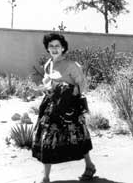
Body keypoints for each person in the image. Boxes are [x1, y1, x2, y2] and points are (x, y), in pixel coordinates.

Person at [32, 33, 95, 183]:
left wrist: (67, 90)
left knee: (77, 136)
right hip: (50, 106)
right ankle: (45, 177)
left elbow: (82, 85)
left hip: (69, 108)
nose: (54, 49)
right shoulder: (48, 64)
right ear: (47, 48)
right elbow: (48, 84)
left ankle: (89, 165)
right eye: (51, 46)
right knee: (47, 138)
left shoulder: (72, 65)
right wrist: (43, 89)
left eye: (57, 46)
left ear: (63, 48)